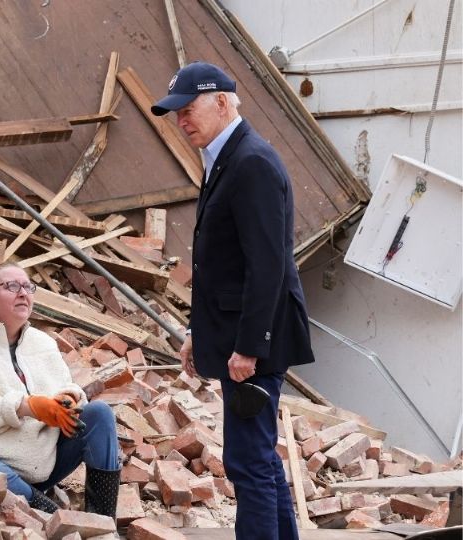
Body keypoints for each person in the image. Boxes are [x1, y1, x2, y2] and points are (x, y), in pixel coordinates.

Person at [151, 62, 316, 539]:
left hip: (256, 339)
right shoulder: (227, 156)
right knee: (257, 459)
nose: (182, 121)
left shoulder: (252, 162)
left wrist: (248, 346)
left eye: (189, 109)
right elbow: (219, 264)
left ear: (223, 101)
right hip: (239, 333)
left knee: (249, 463)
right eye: (176, 114)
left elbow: (267, 265)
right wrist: (196, 333)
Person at [0, 262, 121, 518]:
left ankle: (104, 524)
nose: (23, 293)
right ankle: (59, 521)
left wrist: (69, 398)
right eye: (12, 286)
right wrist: (26, 406)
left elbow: (67, 385)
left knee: (99, 414)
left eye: (28, 286)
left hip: (37, 465)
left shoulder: (42, 343)